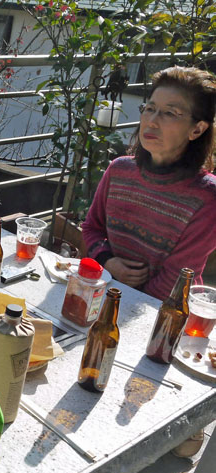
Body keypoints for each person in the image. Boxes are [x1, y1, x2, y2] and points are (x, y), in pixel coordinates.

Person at [82, 66, 216, 301]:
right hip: (105, 294)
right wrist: (108, 262)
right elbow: (92, 228)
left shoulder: (207, 197)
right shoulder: (119, 170)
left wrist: (114, 305)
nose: (152, 122)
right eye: (150, 109)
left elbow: (175, 281)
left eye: (170, 113)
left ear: (197, 129)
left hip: (160, 312)